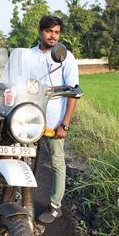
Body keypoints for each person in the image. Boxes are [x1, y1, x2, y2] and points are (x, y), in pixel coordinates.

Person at [28, 15, 79, 224]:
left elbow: (74, 93)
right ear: (40, 31)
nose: (53, 36)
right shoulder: (29, 55)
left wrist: (64, 123)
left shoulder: (66, 57)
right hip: (29, 120)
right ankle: (21, 199)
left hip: (54, 121)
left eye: (57, 32)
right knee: (23, 159)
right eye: (49, 31)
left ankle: (55, 205)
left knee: (57, 162)